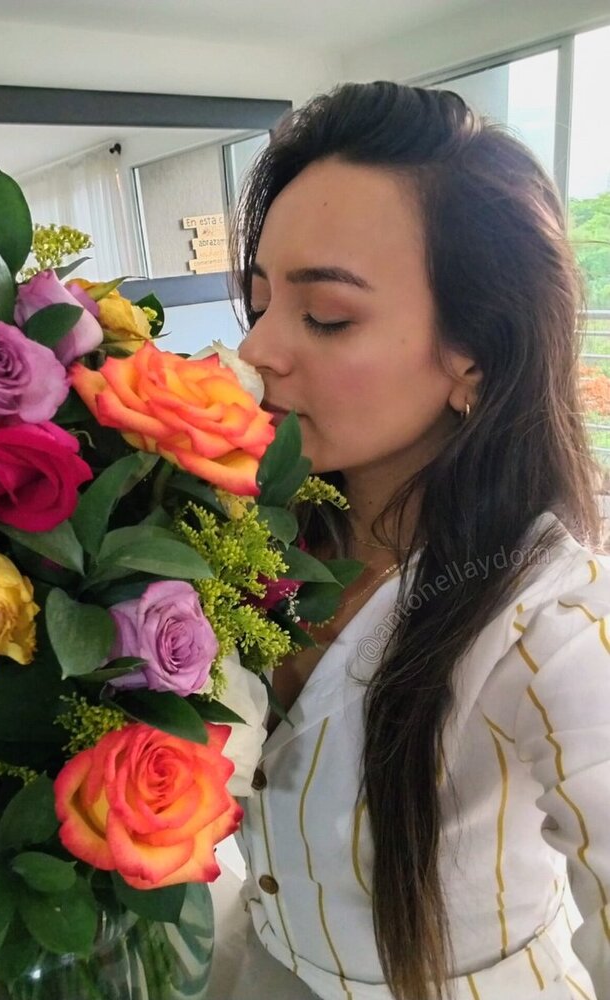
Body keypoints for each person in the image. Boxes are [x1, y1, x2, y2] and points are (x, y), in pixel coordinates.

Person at [210, 81, 610, 1000]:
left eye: (326, 315)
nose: (258, 351)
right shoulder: (243, 535)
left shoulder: (553, 622)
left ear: (475, 354)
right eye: (260, 302)